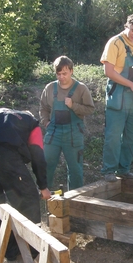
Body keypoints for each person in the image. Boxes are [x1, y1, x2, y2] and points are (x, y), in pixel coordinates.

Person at [0, 108, 52, 260]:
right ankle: (32, 247)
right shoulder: (32, 123)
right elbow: (38, 155)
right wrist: (43, 186)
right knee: (27, 197)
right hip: (4, 152)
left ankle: (10, 249)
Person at [100, 12, 133, 182]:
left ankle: (124, 169)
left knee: (132, 137)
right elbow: (108, 71)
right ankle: (109, 171)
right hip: (117, 97)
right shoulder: (115, 43)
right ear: (127, 25)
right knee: (113, 136)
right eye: (132, 30)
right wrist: (131, 84)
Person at [40, 56, 95, 191]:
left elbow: (90, 109)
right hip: (53, 132)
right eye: (58, 74)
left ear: (71, 71)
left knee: (75, 169)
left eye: (64, 73)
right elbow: (43, 108)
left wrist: (73, 105)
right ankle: (45, 200)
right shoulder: (50, 88)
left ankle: (75, 202)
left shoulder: (81, 88)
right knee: (46, 165)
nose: (61, 77)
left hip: (74, 133)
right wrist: (46, 122)